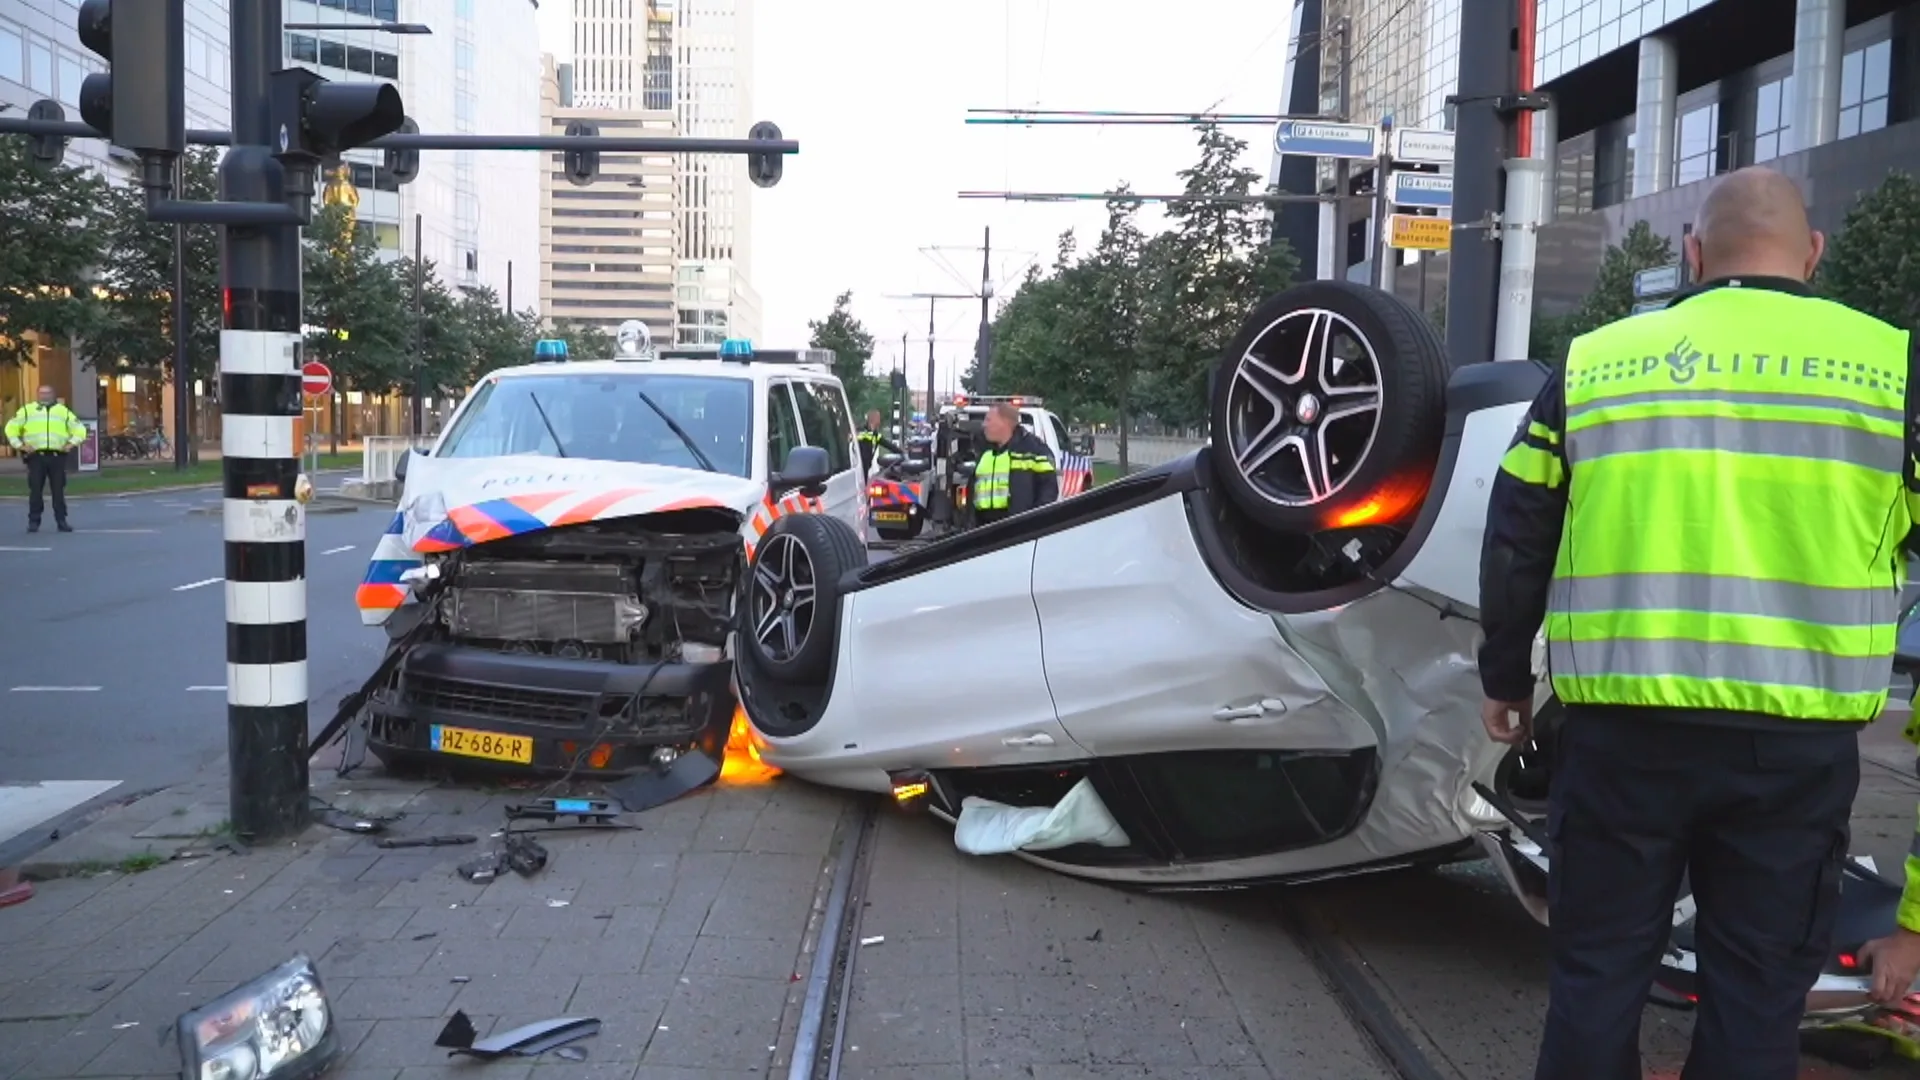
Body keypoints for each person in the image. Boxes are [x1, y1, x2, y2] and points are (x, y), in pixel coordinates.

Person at [1478, 166, 1918, 1080]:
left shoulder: (1598, 360)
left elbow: (1518, 522)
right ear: (1815, 254)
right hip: (1794, 756)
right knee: (1756, 996)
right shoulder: (1894, 370)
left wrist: (1505, 679)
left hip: (1620, 741)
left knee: (1597, 980)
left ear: (1690, 253)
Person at [5, 386, 87, 534]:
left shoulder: (63, 411)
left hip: (57, 456)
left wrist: (71, 444)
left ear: (53, 394)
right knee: (35, 490)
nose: (44, 396)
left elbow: (80, 430)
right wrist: (20, 446)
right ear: (37, 394)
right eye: (41, 393)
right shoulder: (27, 410)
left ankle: (61, 521)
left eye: (47, 393)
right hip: (36, 457)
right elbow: (11, 428)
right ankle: (34, 521)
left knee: (58, 491)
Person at [970, 402, 1057, 526]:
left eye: (989, 420)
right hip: (983, 532)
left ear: (1005, 423)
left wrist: (1034, 524)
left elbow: (1048, 492)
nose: (984, 425)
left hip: (1018, 531)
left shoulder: (1035, 451)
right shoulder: (983, 451)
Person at [856, 409, 899, 474]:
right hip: (859, 470)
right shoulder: (862, 434)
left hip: (866, 470)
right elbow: (863, 456)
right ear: (873, 419)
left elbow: (889, 445)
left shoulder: (875, 434)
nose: (880, 420)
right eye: (878, 418)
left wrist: (902, 453)